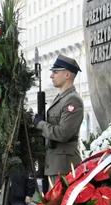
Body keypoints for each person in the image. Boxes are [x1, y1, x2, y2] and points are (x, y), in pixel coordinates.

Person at [33, 55, 84, 185]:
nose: (51, 76)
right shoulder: (61, 98)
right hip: (53, 164)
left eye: (55, 72)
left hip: (64, 167)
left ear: (67, 74)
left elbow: (63, 133)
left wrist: (40, 124)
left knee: (60, 204)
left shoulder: (72, 100)